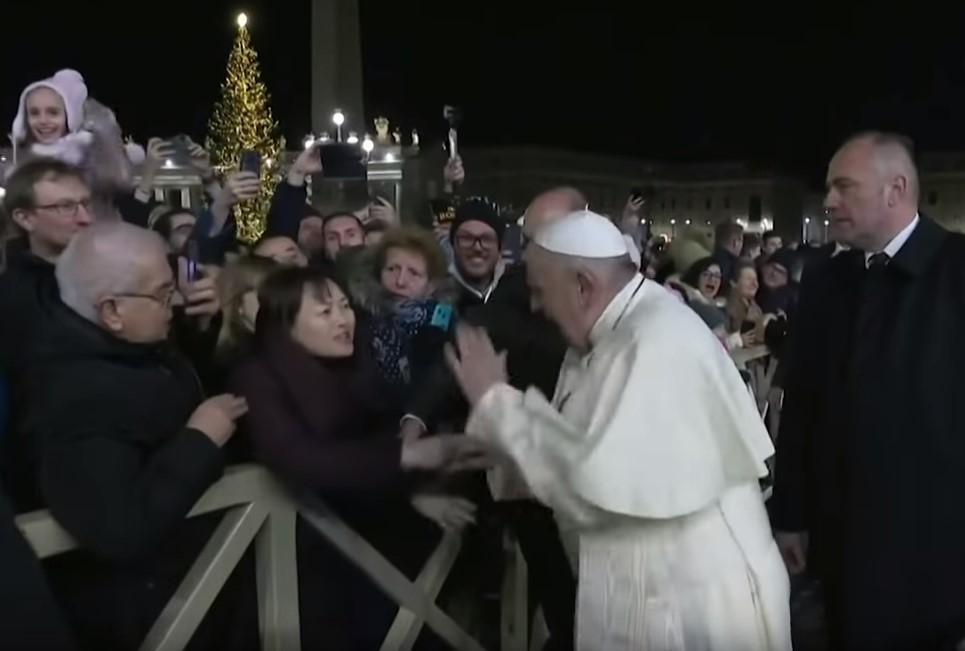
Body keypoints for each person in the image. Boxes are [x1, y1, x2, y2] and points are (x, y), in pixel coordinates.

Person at [445, 209, 791, 651]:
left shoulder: (655, 340)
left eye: (539, 292)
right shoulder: (609, 332)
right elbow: (578, 444)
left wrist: (496, 403)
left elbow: (595, 488)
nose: (535, 307)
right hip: (655, 593)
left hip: (690, 609)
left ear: (583, 286)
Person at [14, 222, 252, 648]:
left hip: (191, 586)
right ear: (111, 311)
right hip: (147, 614)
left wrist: (202, 332)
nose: (175, 301)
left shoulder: (106, 340)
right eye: (162, 294)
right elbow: (117, 527)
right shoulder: (75, 399)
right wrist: (199, 440)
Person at [229, 266, 490, 648]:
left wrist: (414, 491)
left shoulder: (356, 367)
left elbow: (376, 440)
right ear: (286, 326)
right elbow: (299, 458)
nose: (343, 319)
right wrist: (409, 456)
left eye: (344, 306)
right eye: (324, 312)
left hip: (368, 546)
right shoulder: (255, 377)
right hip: (299, 564)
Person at [772, 131, 965, 650]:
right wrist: (790, 513)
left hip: (935, 547)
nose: (829, 201)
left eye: (844, 187)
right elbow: (801, 408)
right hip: (840, 542)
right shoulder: (825, 280)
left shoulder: (956, 271)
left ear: (894, 190)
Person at [449, 197, 506, 311]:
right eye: (467, 238)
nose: (477, 247)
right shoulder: (432, 297)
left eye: (486, 239)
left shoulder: (520, 297)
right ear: (453, 244)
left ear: (500, 247)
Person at [725, 259, 766, 348]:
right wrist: (739, 340)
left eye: (756, 280)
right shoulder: (723, 307)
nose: (755, 284)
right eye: (748, 279)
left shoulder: (756, 309)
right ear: (733, 283)